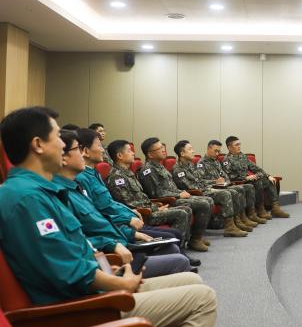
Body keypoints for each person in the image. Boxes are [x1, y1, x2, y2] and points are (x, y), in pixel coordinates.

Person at [0, 106, 217, 326]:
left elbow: (75, 248)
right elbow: (66, 272)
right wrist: (118, 284)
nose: (62, 144)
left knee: (192, 279)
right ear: (38, 145)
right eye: (57, 137)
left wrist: (109, 269)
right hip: (80, 306)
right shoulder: (27, 198)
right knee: (203, 299)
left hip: (96, 285)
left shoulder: (43, 192)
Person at [55, 129, 192, 277]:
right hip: (111, 253)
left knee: (172, 249)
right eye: (78, 149)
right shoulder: (66, 191)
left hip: (121, 237)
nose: (103, 150)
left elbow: (104, 214)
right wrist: (123, 235)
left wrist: (129, 230)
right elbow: (87, 232)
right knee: (178, 257)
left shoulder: (79, 184)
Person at [105, 140, 208, 252]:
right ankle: (176, 250)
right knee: (181, 213)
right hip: (142, 215)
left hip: (150, 208)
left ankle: (179, 248)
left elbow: (142, 198)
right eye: (129, 151)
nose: (133, 153)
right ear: (120, 155)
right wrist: (155, 207)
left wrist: (155, 206)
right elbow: (128, 204)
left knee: (186, 210)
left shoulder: (128, 173)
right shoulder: (117, 177)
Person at [138, 137, 213, 251]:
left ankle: (196, 237)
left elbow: (170, 187)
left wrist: (180, 192)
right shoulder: (148, 170)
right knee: (203, 203)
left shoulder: (160, 166)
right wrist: (178, 195)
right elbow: (156, 193)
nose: (163, 150)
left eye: (163, 147)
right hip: (167, 201)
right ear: (150, 154)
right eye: (159, 148)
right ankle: (192, 241)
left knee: (208, 200)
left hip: (173, 196)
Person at [172, 139, 250, 237]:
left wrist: (214, 184)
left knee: (234, 191)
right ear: (182, 153)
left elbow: (200, 181)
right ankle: (229, 227)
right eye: (190, 149)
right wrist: (212, 187)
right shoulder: (178, 169)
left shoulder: (190, 165)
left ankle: (236, 221)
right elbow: (191, 187)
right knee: (225, 193)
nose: (193, 151)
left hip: (204, 189)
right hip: (196, 193)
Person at [197, 139, 266, 225]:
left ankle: (246, 216)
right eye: (216, 151)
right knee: (233, 191)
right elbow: (199, 181)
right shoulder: (201, 163)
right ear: (208, 149)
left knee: (247, 187)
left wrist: (226, 181)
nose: (218, 154)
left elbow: (225, 176)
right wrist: (215, 182)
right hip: (212, 188)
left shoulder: (216, 162)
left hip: (223, 186)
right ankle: (233, 223)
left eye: (219, 151)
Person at [222, 135, 290, 218]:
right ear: (229, 147)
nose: (239, 146)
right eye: (236, 145)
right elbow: (229, 176)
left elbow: (255, 168)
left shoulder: (243, 156)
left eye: (240, 144)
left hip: (250, 180)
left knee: (269, 181)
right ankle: (260, 209)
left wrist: (268, 176)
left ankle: (275, 208)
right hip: (240, 183)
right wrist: (245, 178)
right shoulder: (226, 160)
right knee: (258, 182)